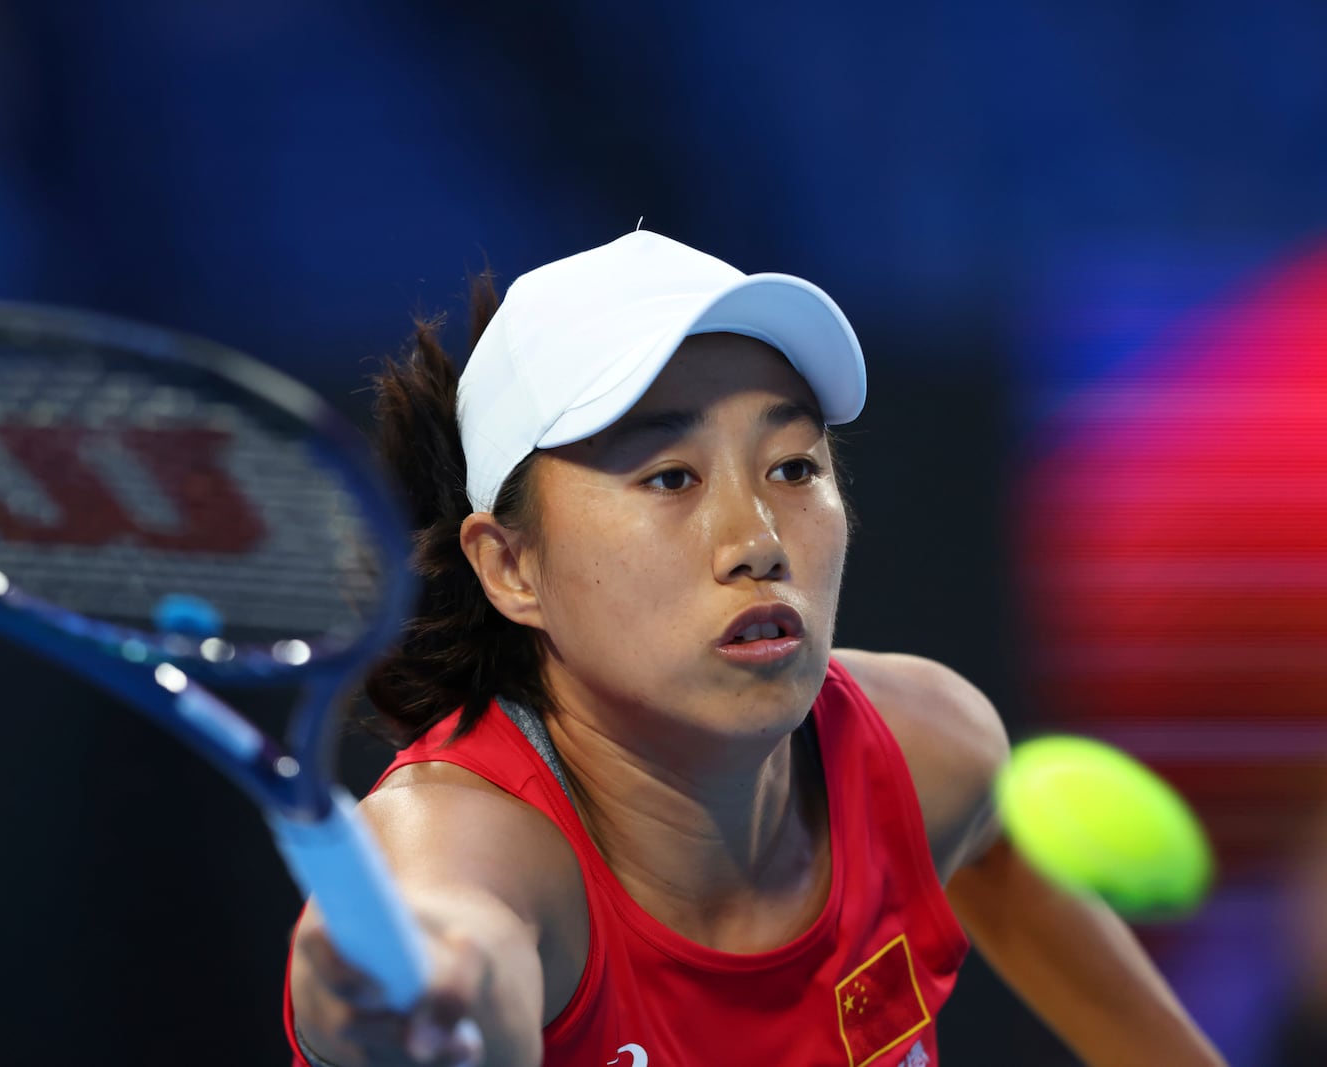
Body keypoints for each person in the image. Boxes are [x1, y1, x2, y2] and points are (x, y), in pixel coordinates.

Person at [284, 231, 1226, 1066]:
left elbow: (1017, 879)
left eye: (793, 466)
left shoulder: (929, 750)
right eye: (669, 477)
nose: (759, 538)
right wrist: (418, 990)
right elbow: (446, 932)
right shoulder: (460, 844)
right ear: (511, 566)